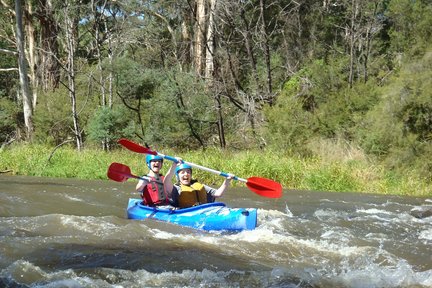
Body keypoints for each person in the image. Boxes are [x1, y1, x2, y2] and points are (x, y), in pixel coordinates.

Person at [164, 160, 232, 208]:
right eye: (182, 172)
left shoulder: (200, 186)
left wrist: (227, 180)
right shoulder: (177, 188)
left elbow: (218, 193)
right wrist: (174, 165)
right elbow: (166, 182)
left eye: (188, 172)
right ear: (178, 176)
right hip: (187, 213)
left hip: (205, 211)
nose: (186, 174)